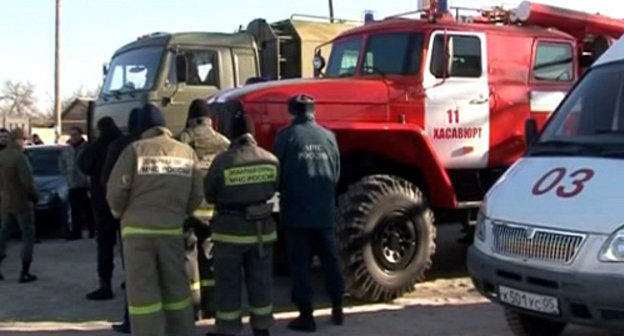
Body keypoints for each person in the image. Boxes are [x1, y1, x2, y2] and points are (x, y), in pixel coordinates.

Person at [107, 104, 202, 336]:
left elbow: (116, 191)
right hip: (171, 230)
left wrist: (120, 213)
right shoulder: (186, 152)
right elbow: (197, 193)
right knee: (177, 289)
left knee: (144, 294)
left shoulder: (134, 150)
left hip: (137, 234)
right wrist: (181, 213)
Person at [274, 94, 344, 332]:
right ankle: (337, 306)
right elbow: (335, 174)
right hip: (324, 211)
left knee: (300, 263)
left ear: (291, 112)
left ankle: (306, 315)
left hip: (296, 212)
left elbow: (277, 175)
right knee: (330, 259)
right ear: (314, 112)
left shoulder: (286, 138)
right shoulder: (329, 137)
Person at [204, 114, 279, 336]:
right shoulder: (271, 160)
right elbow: (274, 188)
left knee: (228, 283)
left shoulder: (222, 161)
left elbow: (209, 194)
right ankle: (262, 327)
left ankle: (228, 329)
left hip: (229, 234)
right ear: (252, 134)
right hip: (262, 232)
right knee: (261, 281)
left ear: (233, 134)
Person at [177, 99, 230, 320]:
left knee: (189, 257)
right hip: (214, 211)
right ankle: (213, 304)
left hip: (189, 211)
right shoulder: (224, 142)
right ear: (209, 119)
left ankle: (194, 308)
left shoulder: (182, 141)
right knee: (209, 257)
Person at [101, 107, 142, 334]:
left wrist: (117, 211)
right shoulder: (174, 146)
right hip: (170, 220)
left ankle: (131, 319)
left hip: (131, 219)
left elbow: (109, 182)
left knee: (134, 272)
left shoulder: (121, 146)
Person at [78, 117, 122, 301]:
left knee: (105, 244)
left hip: (102, 201)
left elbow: (84, 166)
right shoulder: (125, 143)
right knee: (128, 243)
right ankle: (132, 279)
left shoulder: (95, 146)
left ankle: (105, 285)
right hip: (124, 200)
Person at [0, 128, 38, 283]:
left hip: (4, 202)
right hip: (21, 202)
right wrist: (35, 197)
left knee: (3, 235)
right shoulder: (19, 158)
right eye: (23, 139)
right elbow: (27, 183)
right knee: (27, 236)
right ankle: (25, 271)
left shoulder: (1, 156)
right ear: (17, 140)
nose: (24, 142)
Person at [60, 127, 94, 239]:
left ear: (80, 135)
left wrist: (88, 177)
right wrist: (66, 175)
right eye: (71, 135)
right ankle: (76, 232)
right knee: (75, 210)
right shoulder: (67, 150)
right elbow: (62, 164)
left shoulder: (87, 148)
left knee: (88, 209)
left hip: (85, 184)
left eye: (75, 134)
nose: (73, 137)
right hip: (72, 184)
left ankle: (92, 231)